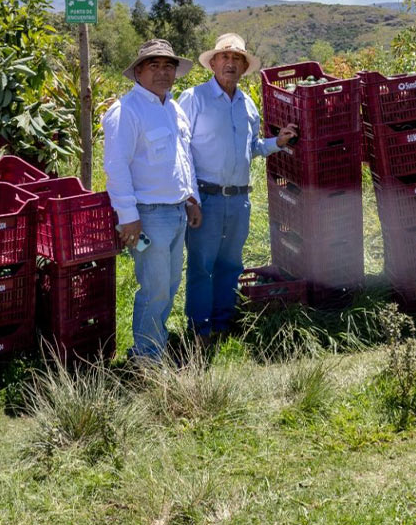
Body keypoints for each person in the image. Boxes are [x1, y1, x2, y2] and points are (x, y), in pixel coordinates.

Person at [176, 33, 296, 342]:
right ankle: (200, 329)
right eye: (225, 58)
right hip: (206, 197)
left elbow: (251, 146)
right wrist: (190, 198)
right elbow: (180, 149)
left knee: (231, 264)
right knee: (202, 266)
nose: (230, 63)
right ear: (213, 63)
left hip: (239, 199)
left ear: (244, 67)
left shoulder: (247, 104)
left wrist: (276, 144)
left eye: (237, 60)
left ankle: (224, 324)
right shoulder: (194, 98)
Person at [102, 39, 202, 361]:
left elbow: (182, 158)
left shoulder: (173, 109)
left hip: (175, 215)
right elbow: (116, 166)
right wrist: (128, 216)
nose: (163, 72)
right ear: (138, 72)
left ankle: (154, 343)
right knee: (155, 286)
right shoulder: (126, 111)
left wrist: (191, 198)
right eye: (154, 66)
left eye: (168, 66)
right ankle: (146, 356)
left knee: (170, 283)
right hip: (147, 219)